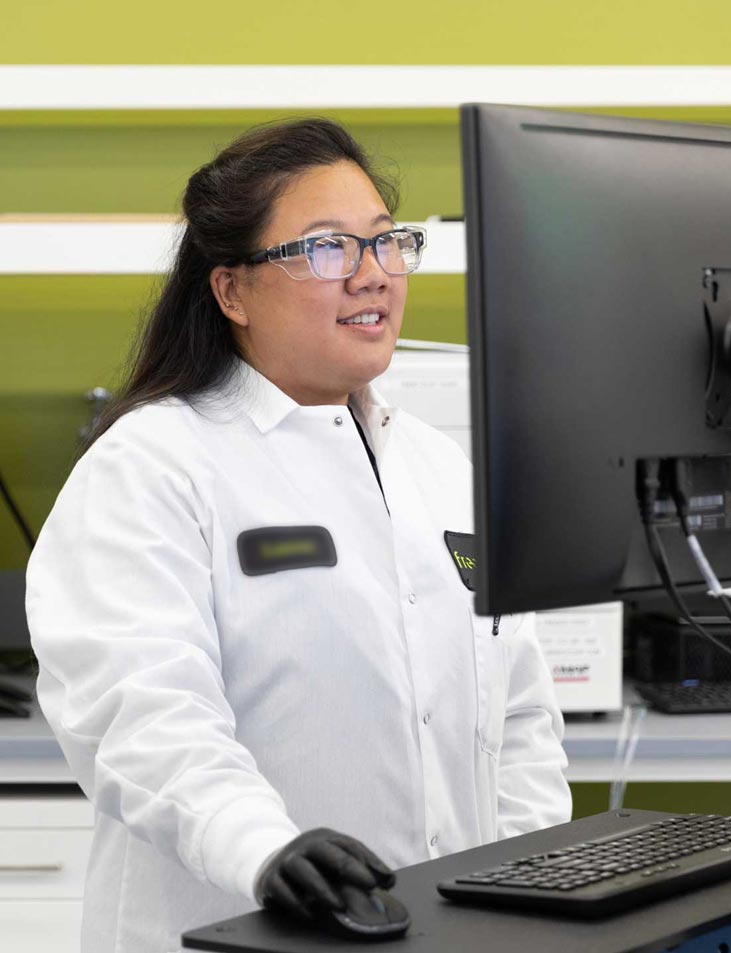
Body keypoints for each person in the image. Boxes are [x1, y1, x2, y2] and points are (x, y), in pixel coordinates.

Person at [25, 118, 571, 953]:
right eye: (326, 250)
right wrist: (262, 847)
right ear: (232, 291)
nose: (373, 277)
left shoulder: (441, 468)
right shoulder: (153, 466)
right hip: (225, 932)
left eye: (388, 246)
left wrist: (527, 887)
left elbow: (523, 716)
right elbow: (141, 715)